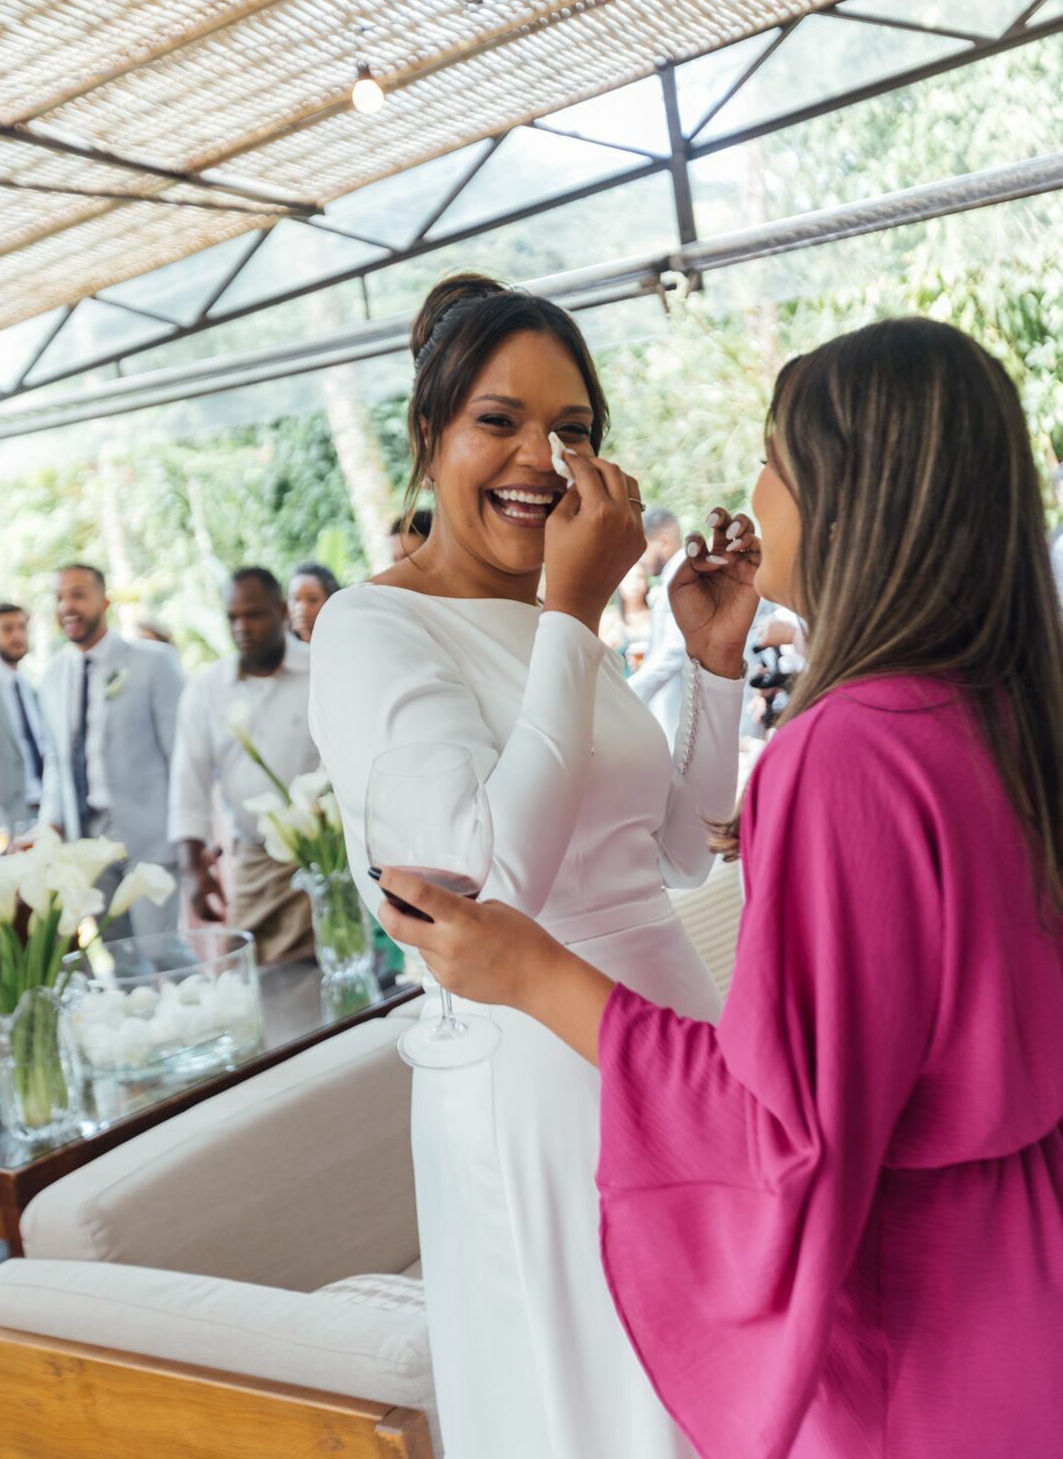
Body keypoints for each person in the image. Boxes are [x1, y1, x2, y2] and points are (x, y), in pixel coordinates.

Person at [378, 317, 1063, 1459]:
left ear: (848, 496)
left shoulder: (846, 748)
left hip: (924, 1319)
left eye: (772, 456)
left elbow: (780, 1129)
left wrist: (534, 971)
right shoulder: (1003, 712)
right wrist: (707, 669)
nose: (750, 490)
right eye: (498, 423)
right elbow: (687, 843)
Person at [309, 273, 760, 1459]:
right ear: (428, 438)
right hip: (534, 1073)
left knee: (712, 1387)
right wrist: (572, 608)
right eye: (498, 421)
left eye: (572, 430)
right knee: (607, 1406)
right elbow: (484, 885)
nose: (540, 458)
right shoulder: (373, 626)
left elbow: (672, 848)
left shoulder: (561, 617)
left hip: (669, 1032)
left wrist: (709, 661)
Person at [170, 567, 318, 962]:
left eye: (254, 615)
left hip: (328, 857)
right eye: (233, 617)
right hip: (255, 863)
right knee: (251, 976)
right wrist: (193, 870)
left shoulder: (321, 668)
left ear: (281, 611)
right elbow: (189, 784)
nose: (242, 627)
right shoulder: (206, 690)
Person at [38, 565, 182, 938]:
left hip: (150, 830)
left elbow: (180, 752)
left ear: (104, 601)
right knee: (120, 960)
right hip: (87, 838)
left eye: (78, 595)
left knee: (159, 948)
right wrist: (49, 824)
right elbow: (56, 760)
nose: (67, 606)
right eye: (59, 598)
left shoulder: (153, 661)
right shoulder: (52, 676)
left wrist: (191, 830)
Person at [628, 506, 691, 746]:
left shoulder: (683, 576)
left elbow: (676, 647)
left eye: (644, 548)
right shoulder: (673, 576)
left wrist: (632, 692)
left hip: (679, 705)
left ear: (663, 542)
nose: (640, 560)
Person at [0, 602, 46, 831]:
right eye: (7, 629)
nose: (17, 635)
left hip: (43, 810)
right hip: (4, 819)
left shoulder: (30, 689)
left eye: (22, 627)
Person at [287, 561, 341, 644]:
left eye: (312, 599)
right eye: (296, 599)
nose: (302, 608)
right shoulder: (274, 643)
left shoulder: (342, 642)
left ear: (329, 601)